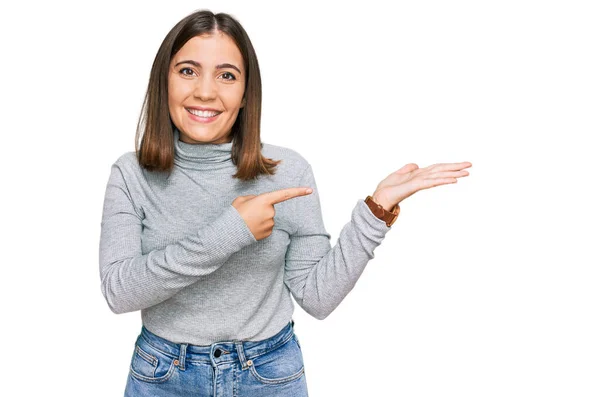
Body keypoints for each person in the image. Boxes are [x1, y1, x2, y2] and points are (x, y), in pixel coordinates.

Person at [98, 9, 472, 397]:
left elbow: (317, 297)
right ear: (165, 81)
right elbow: (120, 293)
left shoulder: (288, 172)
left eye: (227, 75)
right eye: (188, 71)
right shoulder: (131, 174)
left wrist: (376, 210)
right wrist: (231, 231)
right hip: (162, 376)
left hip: (268, 374)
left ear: (245, 94)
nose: (206, 91)